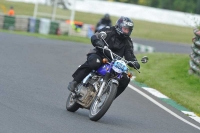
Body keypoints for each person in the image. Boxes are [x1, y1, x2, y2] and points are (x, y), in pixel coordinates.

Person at [68, 16, 140, 99]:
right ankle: (75, 81)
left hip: (115, 63)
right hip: (100, 54)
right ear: (119, 26)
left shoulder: (128, 41)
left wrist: (134, 62)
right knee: (94, 63)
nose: (126, 32)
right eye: (125, 29)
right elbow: (96, 36)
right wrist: (98, 42)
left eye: (128, 30)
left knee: (126, 78)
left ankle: (109, 97)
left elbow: (129, 55)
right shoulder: (109, 30)